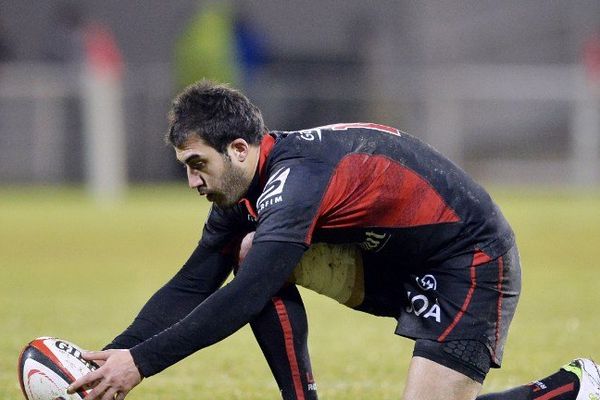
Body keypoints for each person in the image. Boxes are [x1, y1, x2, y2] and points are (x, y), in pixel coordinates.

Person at [68, 81, 600, 400]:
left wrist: (139, 365)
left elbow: (248, 295)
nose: (192, 182)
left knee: (258, 266)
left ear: (237, 149)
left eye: (197, 165)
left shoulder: (296, 182)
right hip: (394, 257)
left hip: (472, 259)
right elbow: (193, 282)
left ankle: (574, 388)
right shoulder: (246, 191)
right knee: (249, 251)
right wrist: (110, 359)